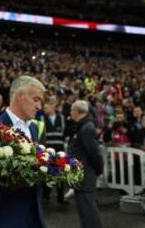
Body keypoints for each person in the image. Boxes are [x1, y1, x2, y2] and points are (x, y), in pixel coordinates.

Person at [0, 76, 46, 228]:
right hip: (3, 216)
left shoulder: (34, 128)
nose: (39, 106)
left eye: (40, 101)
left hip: (34, 215)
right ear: (20, 95)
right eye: (36, 99)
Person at [68, 100, 103, 228]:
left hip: (85, 174)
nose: (70, 113)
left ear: (78, 112)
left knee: (88, 210)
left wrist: (98, 169)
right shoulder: (83, 126)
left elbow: (94, 152)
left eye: (72, 110)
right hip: (82, 174)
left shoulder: (86, 128)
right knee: (85, 209)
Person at [41, 96, 67, 204]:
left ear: (52, 107)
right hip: (48, 151)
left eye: (46, 107)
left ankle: (61, 197)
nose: (44, 109)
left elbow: (64, 133)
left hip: (60, 150)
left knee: (60, 174)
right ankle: (46, 196)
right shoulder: (42, 119)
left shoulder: (61, 118)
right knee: (48, 174)